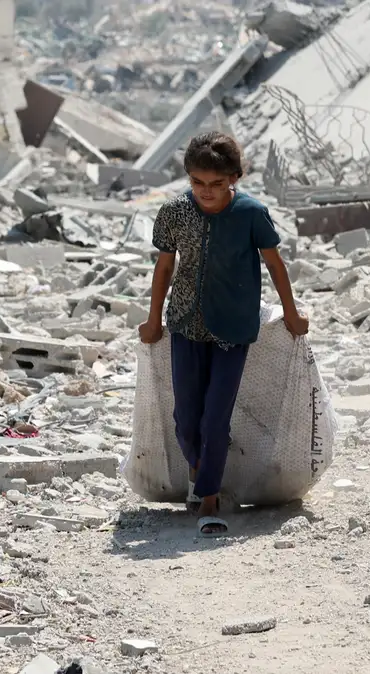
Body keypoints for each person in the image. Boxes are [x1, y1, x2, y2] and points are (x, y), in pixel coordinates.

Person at [138, 131, 308, 538]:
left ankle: (209, 498)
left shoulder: (252, 214)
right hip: (185, 323)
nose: (206, 191)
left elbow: (275, 264)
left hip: (233, 327)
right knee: (186, 418)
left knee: (216, 417)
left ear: (234, 177)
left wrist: (291, 313)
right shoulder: (174, 212)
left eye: (216, 183)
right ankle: (200, 471)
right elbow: (165, 267)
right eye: (197, 182)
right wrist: (153, 319)